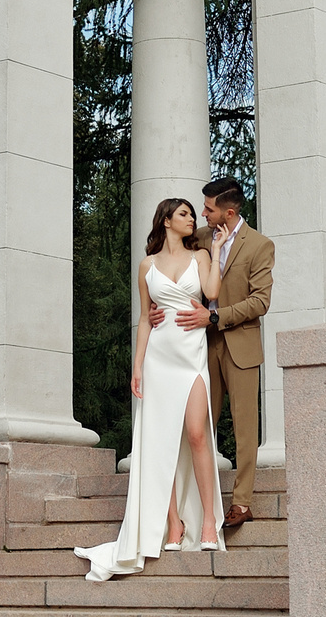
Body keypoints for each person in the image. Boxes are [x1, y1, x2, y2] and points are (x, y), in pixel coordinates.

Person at [74, 198, 225, 581]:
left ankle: (209, 522)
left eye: (192, 213)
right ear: (166, 220)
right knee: (161, 441)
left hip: (191, 355)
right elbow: (145, 318)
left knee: (196, 433)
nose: (192, 218)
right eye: (184, 214)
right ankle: (174, 524)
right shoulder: (147, 265)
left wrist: (218, 249)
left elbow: (211, 292)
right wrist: (138, 366)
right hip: (159, 357)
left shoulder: (201, 256)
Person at [158, 177, 272, 531]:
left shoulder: (260, 246)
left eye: (208, 209)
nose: (201, 214)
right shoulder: (200, 238)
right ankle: (190, 503)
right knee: (197, 425)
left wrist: (215, 316)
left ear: (229, 212)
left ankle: (241, 502)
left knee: (244, 428)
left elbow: (260, 302)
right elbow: (172, 268)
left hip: (240, 345)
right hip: (197, 345)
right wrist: (158, 307)